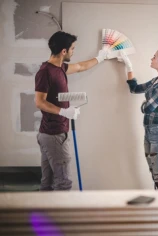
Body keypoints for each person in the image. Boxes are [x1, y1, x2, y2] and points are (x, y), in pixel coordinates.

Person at [35, 31, 108, 191]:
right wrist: (63, 112)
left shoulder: (60, 67)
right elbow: (39, 102)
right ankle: (62, 216)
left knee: (47, 183)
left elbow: (81, 66)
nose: (73, 51)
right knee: (63, 183)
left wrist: (101, 57)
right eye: (72, 49)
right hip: (54, 135)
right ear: (64, 51)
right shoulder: (45, 72)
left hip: (51, 133)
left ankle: (46, 215)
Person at [118, 48, 158, 190]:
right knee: (156, 177)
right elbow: (134, 88)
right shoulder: (156, 81)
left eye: (154, 57)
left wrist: (144, 105)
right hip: (150, 131)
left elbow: (148, 108)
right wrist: (128, 66)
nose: (151, 59)